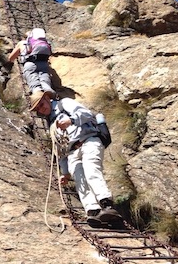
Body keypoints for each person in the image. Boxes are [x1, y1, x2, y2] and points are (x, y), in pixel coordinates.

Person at [30, 91, 121, 227]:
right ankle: (93, 211)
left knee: (91, 171)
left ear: (47, 98)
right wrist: (65, 173)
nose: (41, 109)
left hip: (88, 140)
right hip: (71, 152)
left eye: (41, 104)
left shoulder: (64, 104)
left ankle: (107, 204)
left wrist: (71, 120)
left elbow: (86, 114)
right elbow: (59, 149)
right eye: (38, 109)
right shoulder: (52, 124)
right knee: (80, 180)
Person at [7, 27, 55, 97]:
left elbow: (11, 58)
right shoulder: (45, 43)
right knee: (44, 76)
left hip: (30, 63)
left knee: (32, 77)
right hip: (44, 63)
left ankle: (37, 91)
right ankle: (47, 88)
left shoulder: (23, 43)